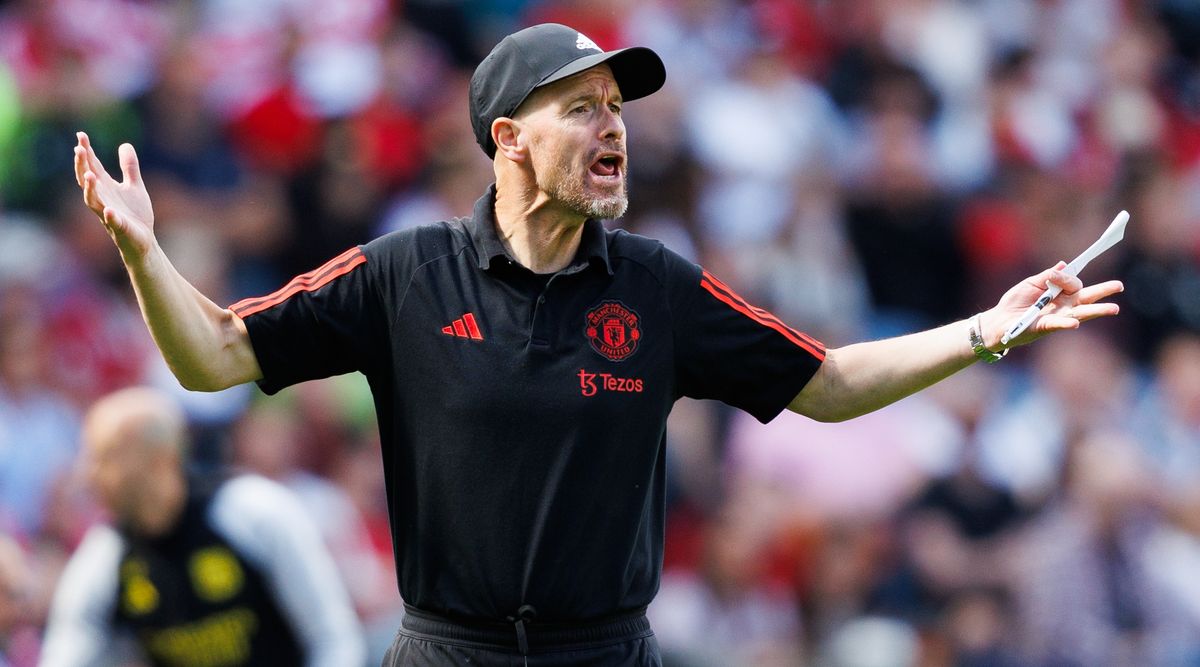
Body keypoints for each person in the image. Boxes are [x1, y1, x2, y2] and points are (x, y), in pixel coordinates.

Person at [71, 22, 1123, 667]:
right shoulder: (402, 273)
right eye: (582, 108)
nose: (613, 127)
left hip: (608, 654)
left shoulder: (656, 284)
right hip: (448, 654)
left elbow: (833, 383)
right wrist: (143, 252)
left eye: (616, 108)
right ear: (508, 141)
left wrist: (987, 330)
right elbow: (211, 355)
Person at [38, 387, 366, 666]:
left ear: (160, 459)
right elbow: (65, 653)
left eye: (104, 457)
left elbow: (334, 638)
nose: (89, 475)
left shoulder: (253, 511)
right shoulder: (105, 556)